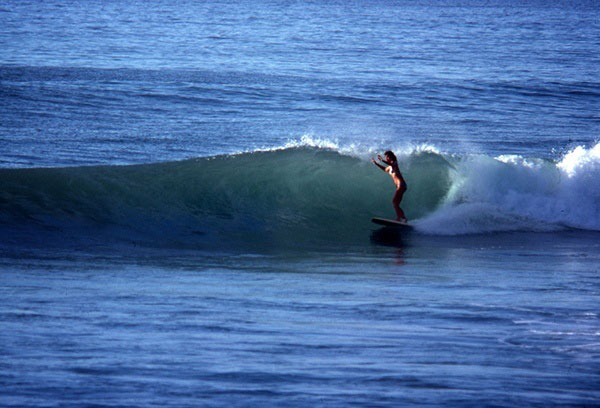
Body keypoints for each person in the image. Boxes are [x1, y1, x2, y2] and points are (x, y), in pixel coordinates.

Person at [371, 150, 408, 223]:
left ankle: (400, 218)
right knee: (396, 204)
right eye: (385, 157)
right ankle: (403, 218)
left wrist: (382, 160)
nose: (386, 158)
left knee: (394, 202)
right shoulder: (389, 167)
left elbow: (392, 164)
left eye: (387, 156)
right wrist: (376, 163)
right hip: (399, 186)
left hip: (401, 185)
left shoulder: (395, 164)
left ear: (390, 157)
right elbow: (385, 169)